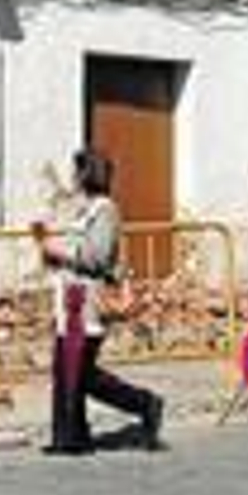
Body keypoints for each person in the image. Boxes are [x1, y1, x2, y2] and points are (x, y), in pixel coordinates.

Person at [35, 148, 164, 454]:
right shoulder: (86, 209)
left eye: (75, 171)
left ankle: (141, 404)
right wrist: (52, 254)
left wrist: (57, 251)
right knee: (69, 370)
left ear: (86, 174)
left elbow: (98, 256)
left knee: (77, 371)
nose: (72, 177)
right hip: (70, 298)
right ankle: (73, 435)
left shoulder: (105, 210)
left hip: (86, 302)